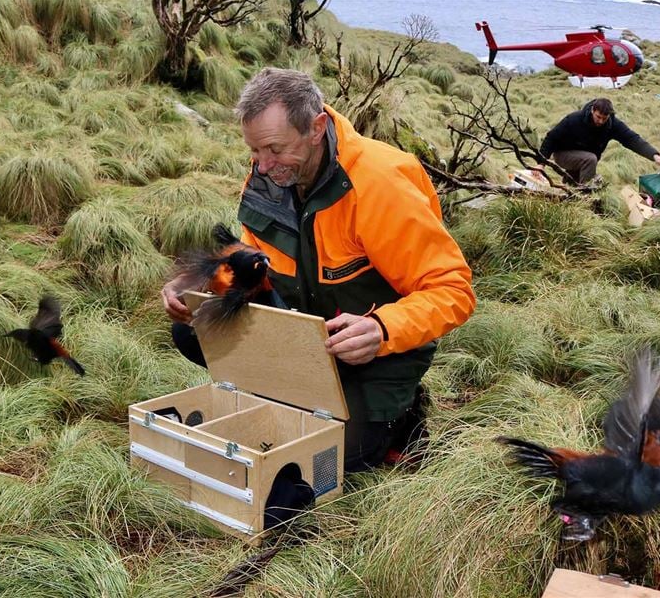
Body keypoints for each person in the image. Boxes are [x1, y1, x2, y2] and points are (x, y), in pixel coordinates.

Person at [161, 67, 476, 472]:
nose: (262, 165)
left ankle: (401, 415)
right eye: (254, 151)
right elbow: (254, 261)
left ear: (316, 127)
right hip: (303, 335)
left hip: (373, 352)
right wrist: (201, 282)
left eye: (274, 149)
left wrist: (382, 330)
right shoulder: (269, 175)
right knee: (191, 328)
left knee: (331, 459)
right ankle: (288, 393)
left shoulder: (380, 183)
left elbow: (453, 290)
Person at [538, 97, 660, 184]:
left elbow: (632, 139)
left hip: (582, 157)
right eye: (598, 117)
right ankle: (585, 199)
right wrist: (540, 164)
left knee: (579, 179)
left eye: (604, 118)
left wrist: (654, 155)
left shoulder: (613, 125)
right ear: (592, 110)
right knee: (590, 160)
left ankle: (569, 193)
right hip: (563, 154)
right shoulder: (574, 119)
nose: (600, 121)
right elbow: (551, 138)